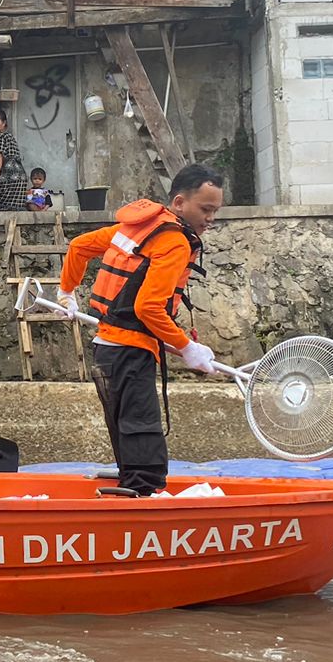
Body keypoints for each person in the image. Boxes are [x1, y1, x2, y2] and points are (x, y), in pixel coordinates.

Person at [54, 164, 226, 497]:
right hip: (130, 353)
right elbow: (147, 308)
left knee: (126, 432)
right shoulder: (174, 242)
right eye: (206, 209)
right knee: (143, 436)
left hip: (106, 348)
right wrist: (187, 347)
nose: (210, 219)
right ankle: (141, 497)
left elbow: (79, 247)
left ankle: (129, 486)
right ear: (179, 203)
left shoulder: (138, 229)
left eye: (215, 211)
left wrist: (67, 291)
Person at [0, 108, 29, 211]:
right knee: (16, 208)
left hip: (8, 177)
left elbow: (0, 156)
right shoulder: (9, 136)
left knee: (3, 208)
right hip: (20, 177)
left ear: (4, 123)